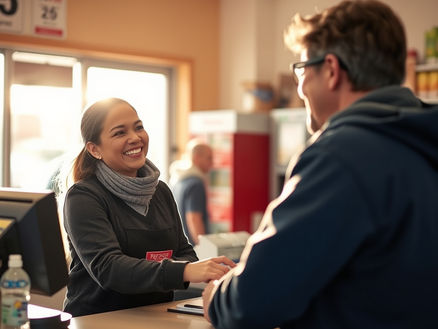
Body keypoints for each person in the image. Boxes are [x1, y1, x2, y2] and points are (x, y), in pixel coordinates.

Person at [202, 1, 438, 328]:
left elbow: (251, 303)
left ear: (330, 70)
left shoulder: (340, 156)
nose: (299, 88)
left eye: (300, 70)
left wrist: (216, 297)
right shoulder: (421, 143)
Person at [62, 97, 235, 317]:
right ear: (94, 149)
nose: (135, 138)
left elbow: (184, 252)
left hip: (156, 315)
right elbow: (109, 268)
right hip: (97, 320)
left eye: (138, 127)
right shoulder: (84, 197)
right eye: (119, 133)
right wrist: (184, 270)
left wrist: (204, 270)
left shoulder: (160, 191)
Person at [169, 139, 213, 245]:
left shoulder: (178, 180)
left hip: (179, 244)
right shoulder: (196, 183)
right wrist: (203, 247)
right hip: (192, 247)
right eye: (209, 158)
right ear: (197, 158)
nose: (212, 163)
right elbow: (194, 218)